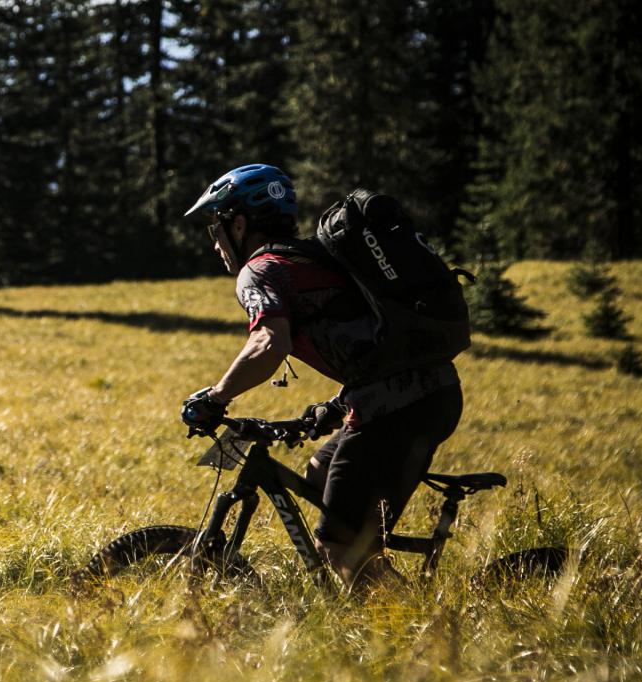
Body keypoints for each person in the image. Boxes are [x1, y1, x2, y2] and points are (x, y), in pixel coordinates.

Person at [178, 164, 463, 590]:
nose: (216, 243)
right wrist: (330, 410)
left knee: (342, 546)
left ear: (239, 223)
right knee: (318, 475)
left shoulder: (262, 269)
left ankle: (414, 635)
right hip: (422, 393)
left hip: (399, 406)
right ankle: (373, 593)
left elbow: (268, 344)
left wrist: (214, 399)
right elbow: (369, 342)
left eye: (216, 229)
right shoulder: (310, 258)